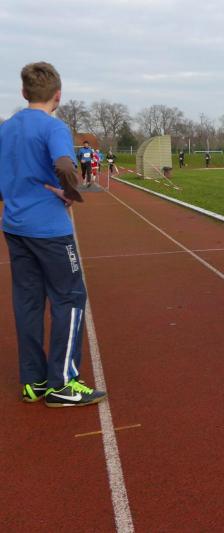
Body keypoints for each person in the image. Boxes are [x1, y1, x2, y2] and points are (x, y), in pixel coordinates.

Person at [0, 62, 106, 407]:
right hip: (49, 230)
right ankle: (63, 382)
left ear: (23, 92)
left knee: (28, 301)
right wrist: (70, 192)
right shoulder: (54, 127)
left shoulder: (7, 128)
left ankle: (33, 381)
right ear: (58, 96)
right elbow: (63, 165)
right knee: (70, 297)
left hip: (15, 226)